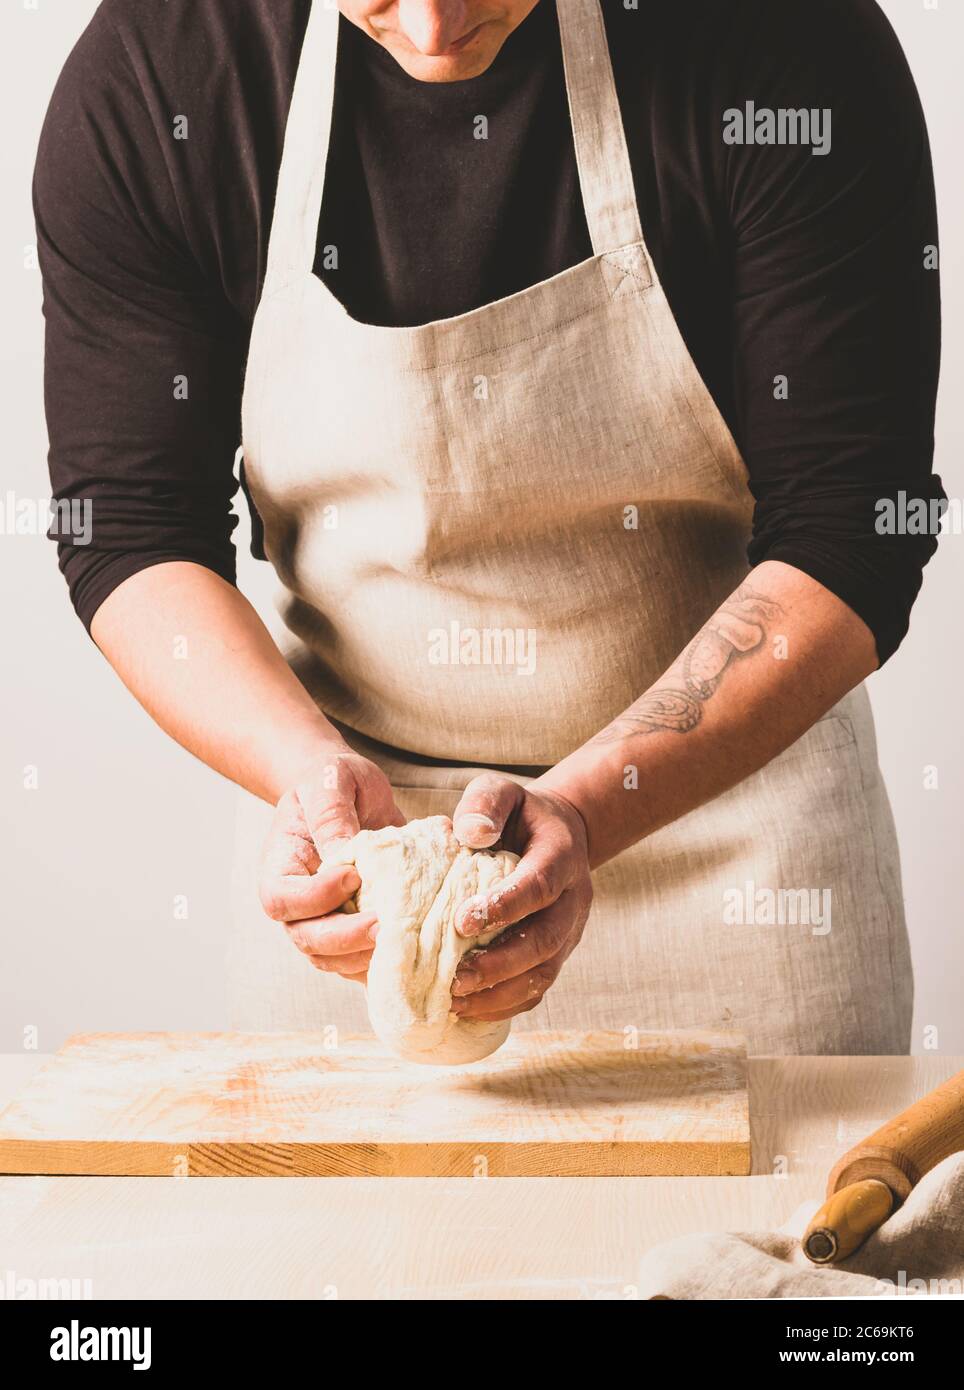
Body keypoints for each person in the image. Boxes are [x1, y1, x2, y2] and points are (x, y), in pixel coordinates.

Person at [36, 0, 943, 1052]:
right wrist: (313, 783)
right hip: (364, 894)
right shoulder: (167, 73)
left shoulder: (783, 39)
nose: (430, 28)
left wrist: (590, 809)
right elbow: (133, 531)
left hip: (741, 863)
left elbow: (851, 532)